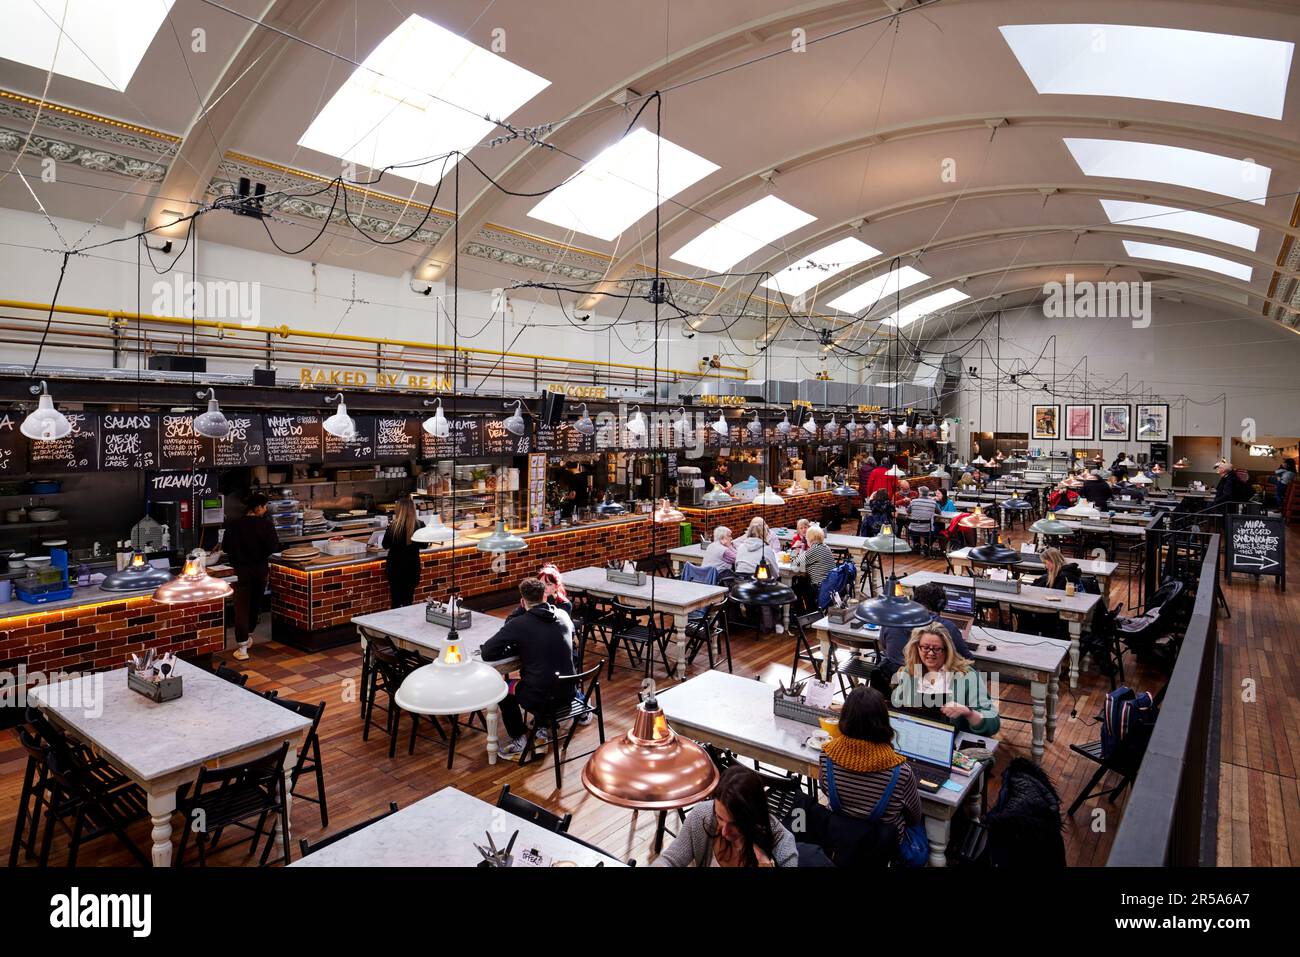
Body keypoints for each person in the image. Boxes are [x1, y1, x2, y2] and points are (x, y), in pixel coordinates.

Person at [482, 577, 576, 758]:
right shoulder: (563, 616)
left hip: (542, 698)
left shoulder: (519, 623)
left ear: (523, 601)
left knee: (501, 689)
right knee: (543, 677)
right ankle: (540, 728)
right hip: (568, 694)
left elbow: (487, 652)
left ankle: (519, 738)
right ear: (545, 596)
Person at [818, 686, 923, 842]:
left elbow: (826, 790)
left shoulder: (827, 756)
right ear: (883, 720)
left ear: (845, 717)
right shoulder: (901, 772)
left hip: (839, 837)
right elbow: (915, 817)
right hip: (881, 846)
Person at [654, 765, 799, 867]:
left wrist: (764, 863)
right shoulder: (703, 815)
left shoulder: (783, 846)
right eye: (719, 817)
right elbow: (670, 860)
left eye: (735, 824)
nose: (724, 832)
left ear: (754, 816)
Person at [891, 624, 1000, 735]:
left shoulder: (966, 675)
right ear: (917, 647)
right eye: (925, 647)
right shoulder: (909, 671)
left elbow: (993, 723)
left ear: (947, 650)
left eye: (937, 649)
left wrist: (968, 713)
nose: (931, 653)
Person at [221, 492, 280, 661]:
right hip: (260, 570)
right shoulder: (266, 525)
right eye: (265, 506)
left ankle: (242, 647)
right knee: (255, 604)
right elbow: (273, 546)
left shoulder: (234, 525)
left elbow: (226, 547)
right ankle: (249, 636)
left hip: (241, 572)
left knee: (241, 608)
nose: (266, 509)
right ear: (257, 508)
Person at [879, 582, 974, 676]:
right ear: (940, 605)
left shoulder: (891, 621)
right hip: (931, 683)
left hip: (893, 680)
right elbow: (967, 660)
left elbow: (883, 645)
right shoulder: (947, 628)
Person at [734, 517, 784, 634]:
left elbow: (737, 566)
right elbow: (775, 573)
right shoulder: (766, 550)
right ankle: (774, 623)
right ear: (765, 534)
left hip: (740, 584)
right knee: (776, 588)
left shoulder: (741, 547)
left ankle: (755, 618)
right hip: (758, 585)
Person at [381, 498, 426, 609]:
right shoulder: (420, 525)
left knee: (395, 602)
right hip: (412, 568)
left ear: (399, 510)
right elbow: (424, 545)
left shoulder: (393, 526)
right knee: (408, 601)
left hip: (395, 569)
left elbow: (385, 545)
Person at [791, 525, 835, 611]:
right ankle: (806, 613)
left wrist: (794, 548)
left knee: (793, 590)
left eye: (807, 537)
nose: (806, 539)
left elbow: (795, 564)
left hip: (819, 587)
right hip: (827, 585)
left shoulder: (815, 549)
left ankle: (803, 615)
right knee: (801, 583)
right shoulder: (825, 547)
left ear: (810, 538)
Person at [905, 486, 939, 552]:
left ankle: (916, 543)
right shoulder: (933, 502)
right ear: (928, 493)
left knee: (914, 526)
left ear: (920, 493)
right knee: (936, 528)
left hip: (913, 530)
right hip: (927, 531)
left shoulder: (913, 501)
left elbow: (908, 511)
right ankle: (927, 544)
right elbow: (939, 512)